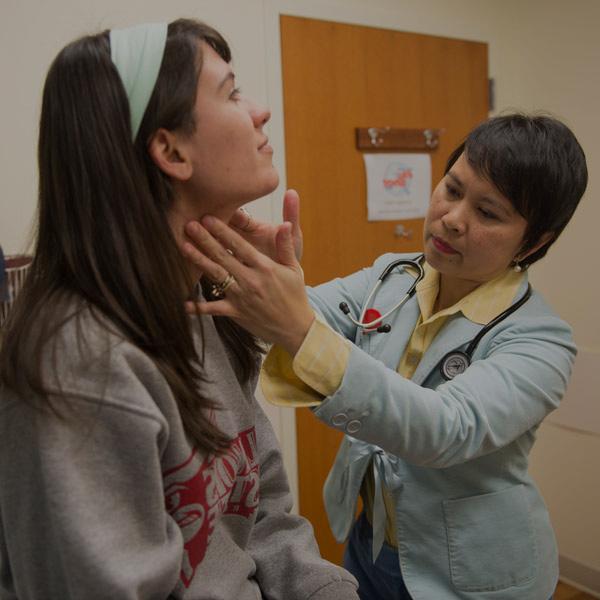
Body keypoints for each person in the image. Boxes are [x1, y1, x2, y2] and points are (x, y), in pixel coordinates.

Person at [0, 19, 359, 600]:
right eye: (233, 92)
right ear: (169, 150)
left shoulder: (203, 308)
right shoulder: (82, 362)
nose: (261, 110)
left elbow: (263, 508)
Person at [181, 114, 588, 600]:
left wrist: (292, 317)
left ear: (536, 241)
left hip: (469, 573)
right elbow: (303, 319)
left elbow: (445, 429)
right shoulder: (393, 276)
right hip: (372, 546)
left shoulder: (540, 341)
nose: (453, 218)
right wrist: (267, 274)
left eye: (489, 213)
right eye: (452, 189)